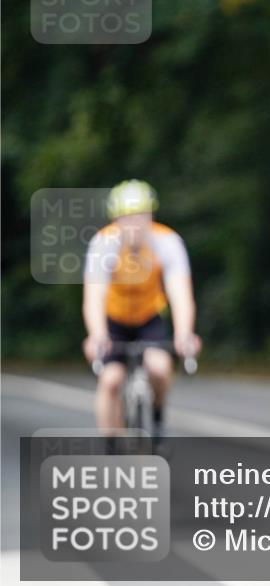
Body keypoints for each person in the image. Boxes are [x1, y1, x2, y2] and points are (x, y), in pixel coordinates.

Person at [82, 179, 201, 441]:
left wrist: (184, 333)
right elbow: (94, 297)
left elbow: (180, 294)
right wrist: (97, 335)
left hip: (148, 316)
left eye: (141, 217)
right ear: (116, 220)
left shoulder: (167, 241)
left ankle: (157, 414)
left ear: (151, 217)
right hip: (113, 319)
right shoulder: (104, 244)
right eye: (127, 218)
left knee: (159, 368)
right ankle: (111, 443)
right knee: (111, 380)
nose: (135, 225)